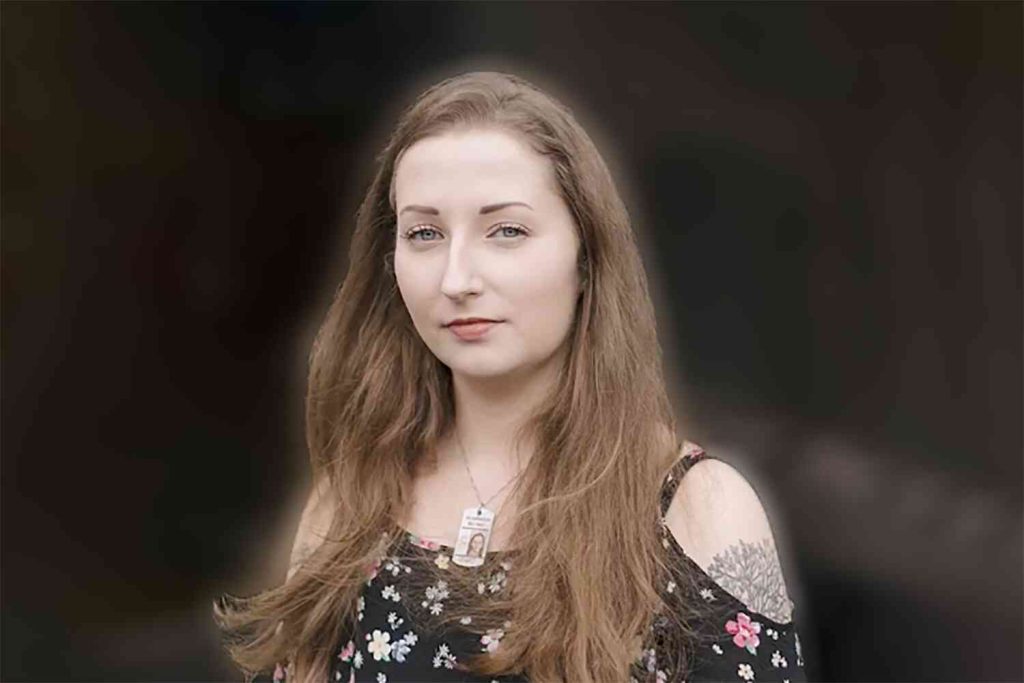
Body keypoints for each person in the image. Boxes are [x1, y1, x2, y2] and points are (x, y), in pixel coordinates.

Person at [214, 71, 807, 683]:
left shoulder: (699, 508)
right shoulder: (349, 503)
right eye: (424, 233)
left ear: (587, 257)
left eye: (506, 231)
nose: (456, 279)